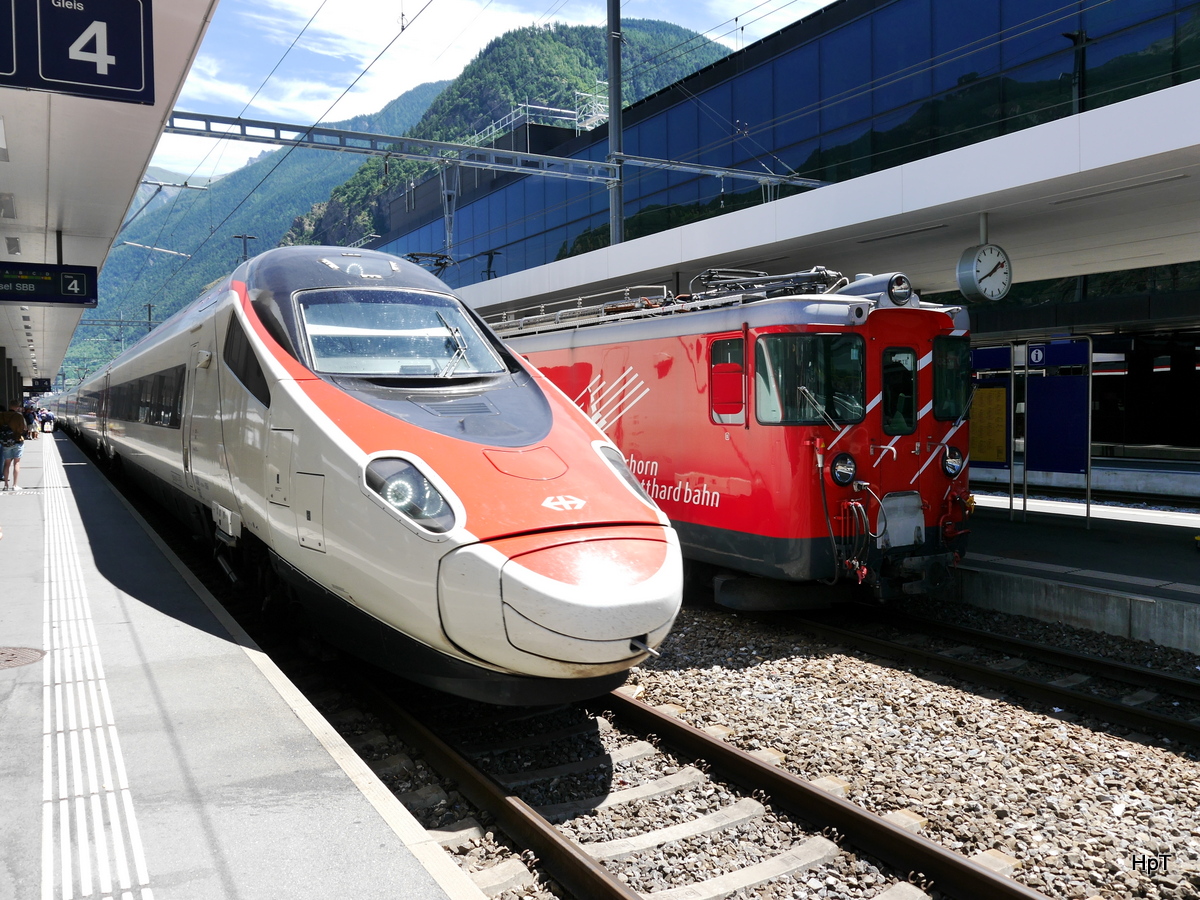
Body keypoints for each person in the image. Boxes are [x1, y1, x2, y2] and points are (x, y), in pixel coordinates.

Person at [1, 399, 27, 490]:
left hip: (5, 441)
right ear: (17, 407)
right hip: (17, 440)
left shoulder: (2, 415)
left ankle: (5, 485)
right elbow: (24, 428)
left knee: (7, 463)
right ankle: (15, 485)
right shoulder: (19, 416)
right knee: (17, 462)